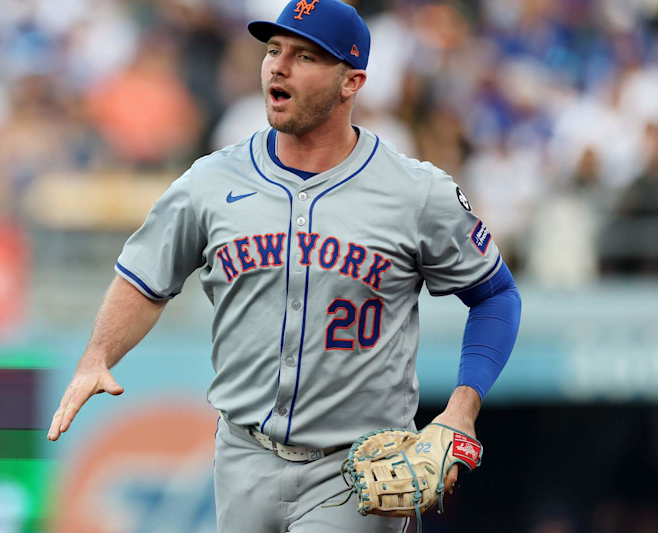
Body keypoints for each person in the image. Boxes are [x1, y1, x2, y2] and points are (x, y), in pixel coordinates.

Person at [48, 1, 522, 531]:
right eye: (273, 50)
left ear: (350, 81)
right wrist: (97, 355)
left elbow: (496, 295)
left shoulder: (414, 191)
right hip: (241, 454)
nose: (278, 65)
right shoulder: (210, 181)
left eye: (303, 56)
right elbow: (144, 279)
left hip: (356, 470)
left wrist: (463, 406)